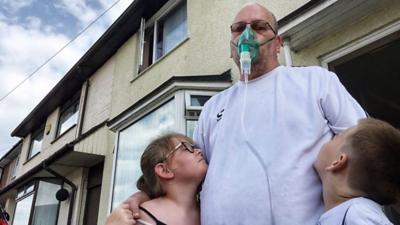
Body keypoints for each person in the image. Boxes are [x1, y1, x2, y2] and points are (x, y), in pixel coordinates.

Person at [126, 3, 366, 224]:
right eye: (239, 28)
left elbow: (365, 146)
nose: (247, 35)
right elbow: (186, 172)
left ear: (278, 42)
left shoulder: (316, 81)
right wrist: (144, 195)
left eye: (260, 27)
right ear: (231, 45)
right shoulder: (213, 107)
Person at [106, 133, 207, 225]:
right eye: (186, 148)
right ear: (164, 170)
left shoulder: (208, 210)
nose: (199, 151)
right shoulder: (140, 219)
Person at [314, 118, 400, 225]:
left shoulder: (359, 213)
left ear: (338, 162)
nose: (332, 136)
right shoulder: (353, 212)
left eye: (336, 137)